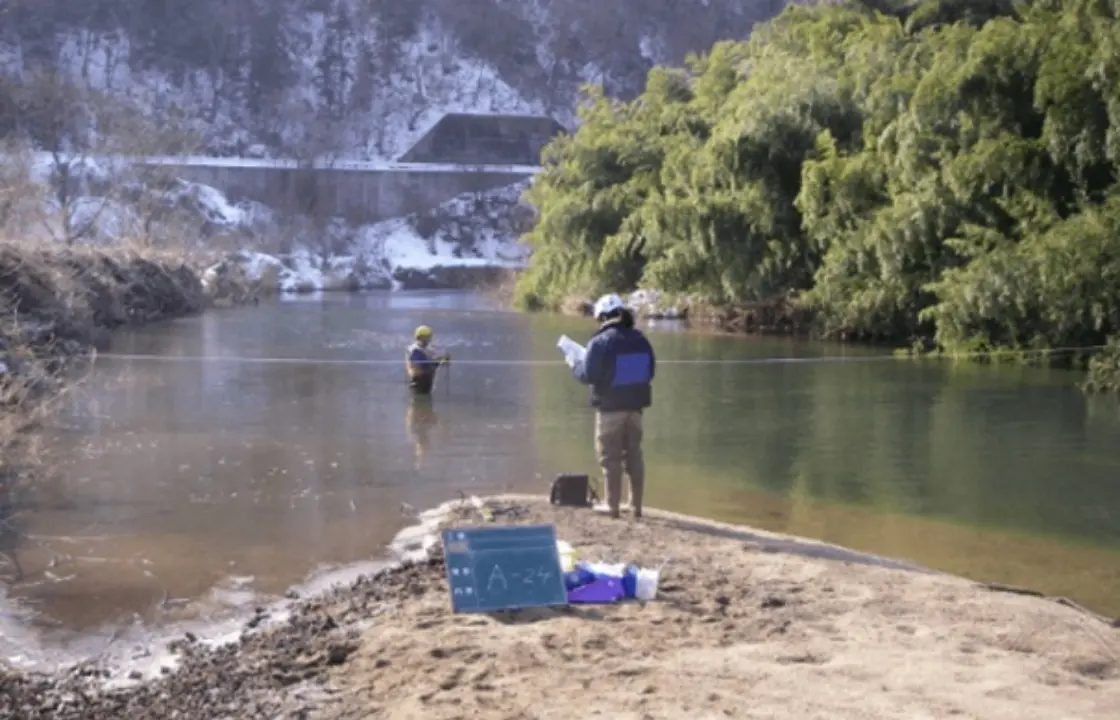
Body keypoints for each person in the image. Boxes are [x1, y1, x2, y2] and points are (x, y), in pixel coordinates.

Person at [571, 293, 655, 519]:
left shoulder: (599, 342)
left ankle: (612, 506)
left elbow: (589, 375)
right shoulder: (641, 339)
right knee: (634, 455)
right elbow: (651, 372)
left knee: (610, 457)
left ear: (602, 317)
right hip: (636, 410)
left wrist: (574, 365)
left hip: (610, 410)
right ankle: (635, 507)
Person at [406, 325, 449, 394]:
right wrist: (438, 362)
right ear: (418, 338)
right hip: (418, 383)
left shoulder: (427, 348)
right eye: (424, 338)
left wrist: (441, 358)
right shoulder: (415, 350)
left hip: (427, 381)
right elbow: (422, 366)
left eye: (427, 337)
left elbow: (431, 358)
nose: (426, 340)